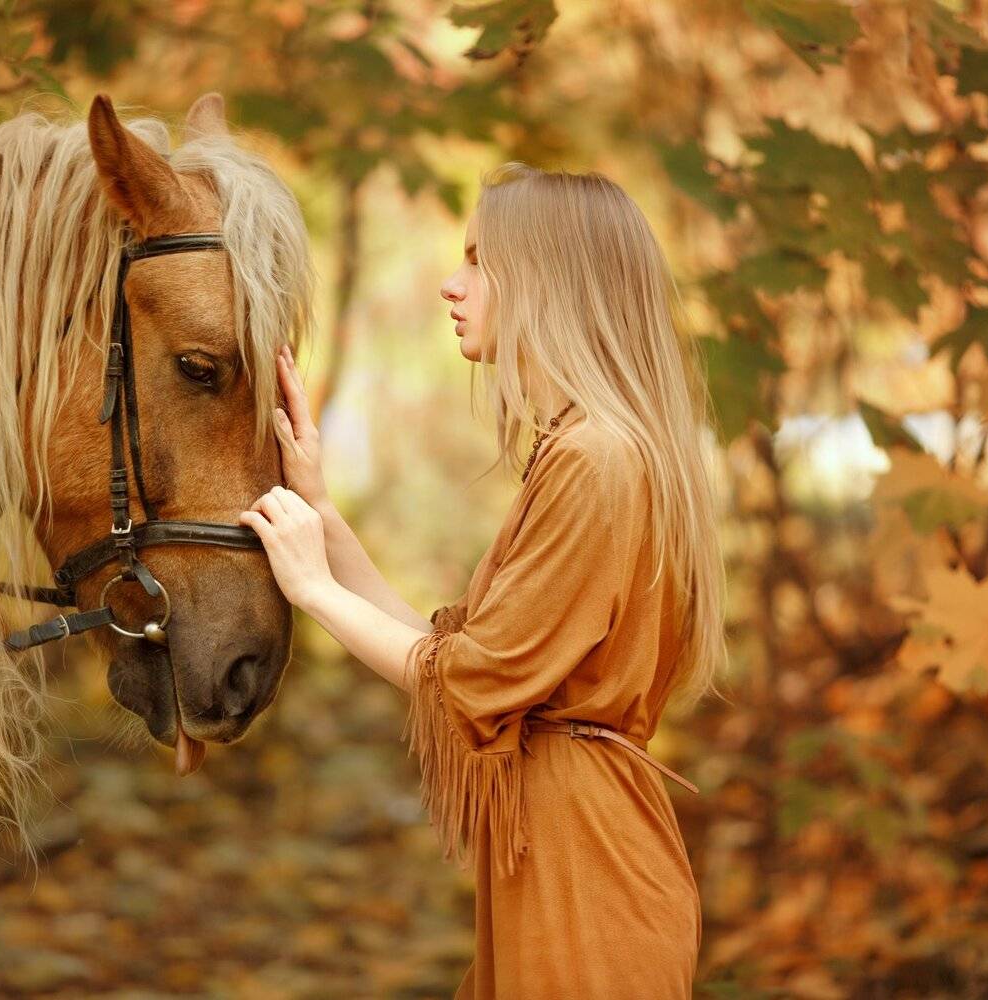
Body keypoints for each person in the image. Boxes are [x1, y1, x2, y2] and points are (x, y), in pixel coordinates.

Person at [237, 163, 727, 999]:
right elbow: (449, 653)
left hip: (590, 874)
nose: (449, 284)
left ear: (547, 280)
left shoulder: (595, 459)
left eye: (477, 260)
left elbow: (471, 678)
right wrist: (319, 508)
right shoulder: (583, 450)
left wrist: (314, 590)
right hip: (562, 850)